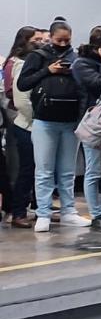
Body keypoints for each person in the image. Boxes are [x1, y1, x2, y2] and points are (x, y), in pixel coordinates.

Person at [17, 20, 90, 231]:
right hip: (44, 121)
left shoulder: (76, 58)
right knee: (44, 170)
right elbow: (24, 83)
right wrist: (48, 70)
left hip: (70, 121)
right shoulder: (37, 56)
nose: (63, 44)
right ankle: (43, 213)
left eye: (67, 40)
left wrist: (72, 72)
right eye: (59, 40)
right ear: (50, 37)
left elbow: (84, 87)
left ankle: (68, 211)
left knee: (67, 171)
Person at [72, 25, 101, 229]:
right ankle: (97, 214)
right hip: (93, 123)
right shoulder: (81, 64)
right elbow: (100, 85)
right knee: (94, 170)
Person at [3, 27, 38, 227]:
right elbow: (18, 98)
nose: (42, 43)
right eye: (37, 39)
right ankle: (17, 211)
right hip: (22, 121)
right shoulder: (17, 64)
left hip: (35, 122)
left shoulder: (34, 62)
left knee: (35, 169)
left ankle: (35, 208)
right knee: (23, 168)